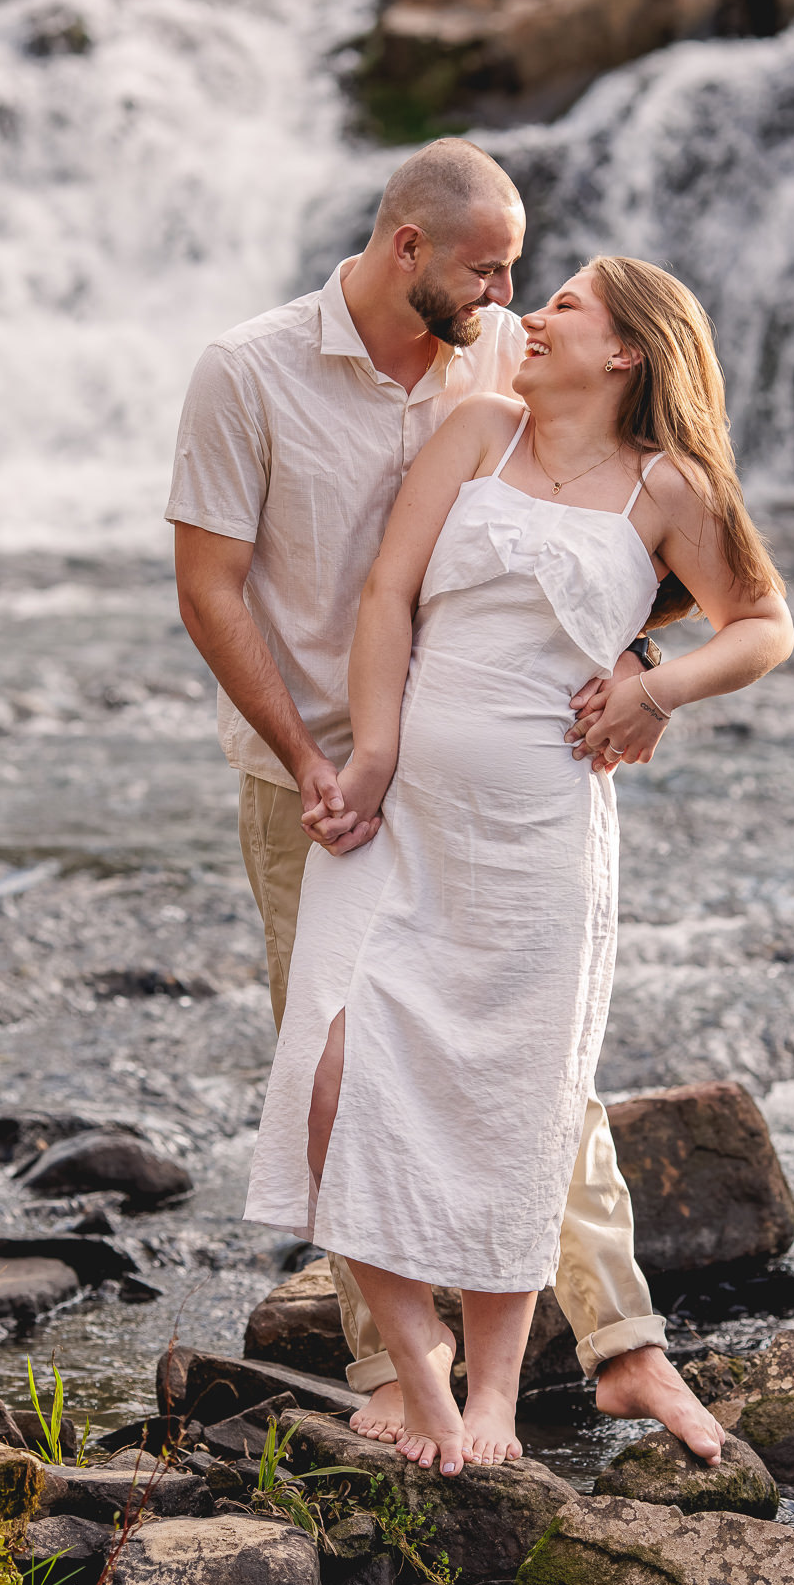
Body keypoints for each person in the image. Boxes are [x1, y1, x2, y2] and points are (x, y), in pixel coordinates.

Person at [170, 139, 716, 1463]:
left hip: (496, 776)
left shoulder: (505, 359)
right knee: (343, 1060)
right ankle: (393, 1366)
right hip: (320, 773)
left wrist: (639, 669)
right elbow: (209, 588)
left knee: (534, 1062)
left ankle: (620, 1345)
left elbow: (617, 527)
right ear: (407, 247)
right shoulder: (249, 372)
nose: (510, 295)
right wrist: (311, 755)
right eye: (488, 268)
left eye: (522, 273)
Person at [243, 253, 794, 1476]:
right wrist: (373, 752)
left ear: (627, 350)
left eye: (565, 306)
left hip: (540, 839)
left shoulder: (667, 485)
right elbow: (387, 595)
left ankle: (491, 1392)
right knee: (332, 1073)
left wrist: (657, 685)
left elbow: (764, 623)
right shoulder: (479, 430)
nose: (530, 316)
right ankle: (416, 1356)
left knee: (514, 1103)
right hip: (399, 825)